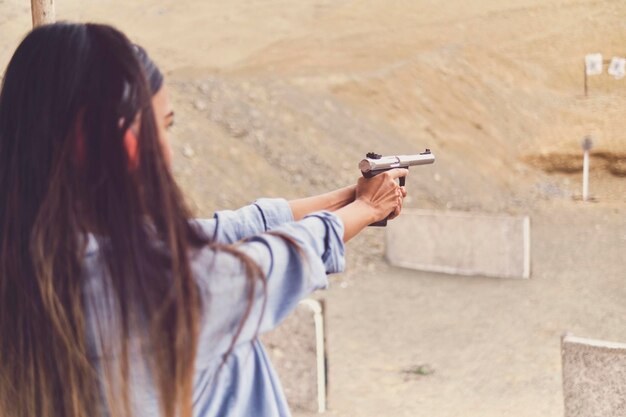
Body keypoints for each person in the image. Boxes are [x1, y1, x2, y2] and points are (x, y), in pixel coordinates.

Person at [0, 22, 408, 417]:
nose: (168, 148)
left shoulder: (38, 261)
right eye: (164, 125)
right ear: (124, 143)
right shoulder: (161, 291)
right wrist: (367, 208)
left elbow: (221, 231)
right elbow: (271, 264)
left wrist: (350, 198)